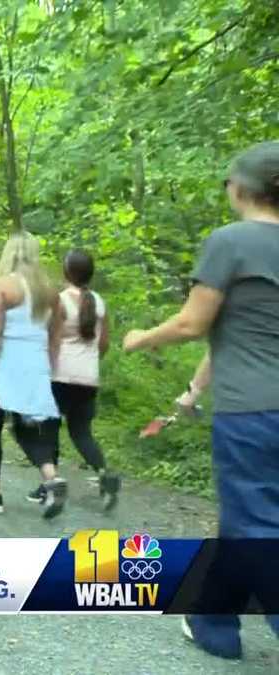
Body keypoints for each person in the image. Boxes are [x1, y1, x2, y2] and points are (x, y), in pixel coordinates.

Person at [124, 141, 279, 660]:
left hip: (253, 410)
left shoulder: (230, 241)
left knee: (256, 524)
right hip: (255, 398)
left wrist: (142, 337)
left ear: (241, 187)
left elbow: (195, 322)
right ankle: (214, 622)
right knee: (247, 518)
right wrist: (193, 391)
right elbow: (239, 330)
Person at [0, 231, 67, 519]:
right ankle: (51, 477)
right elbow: (55, 336)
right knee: (25, 427)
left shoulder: (2, 286)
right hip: (36, 362)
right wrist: (49, 367)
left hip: (6, 362)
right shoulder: (49, 291)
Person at [46, 248, 120, 511]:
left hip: (60, 375)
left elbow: (52, 340)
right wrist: (90, 362)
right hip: (88, 377)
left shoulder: (60, 300)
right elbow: (104, 343)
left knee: (48, 429)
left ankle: (51, 484)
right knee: (81, 432)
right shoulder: (99, 302)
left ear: (66, 272)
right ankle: (104, 472)